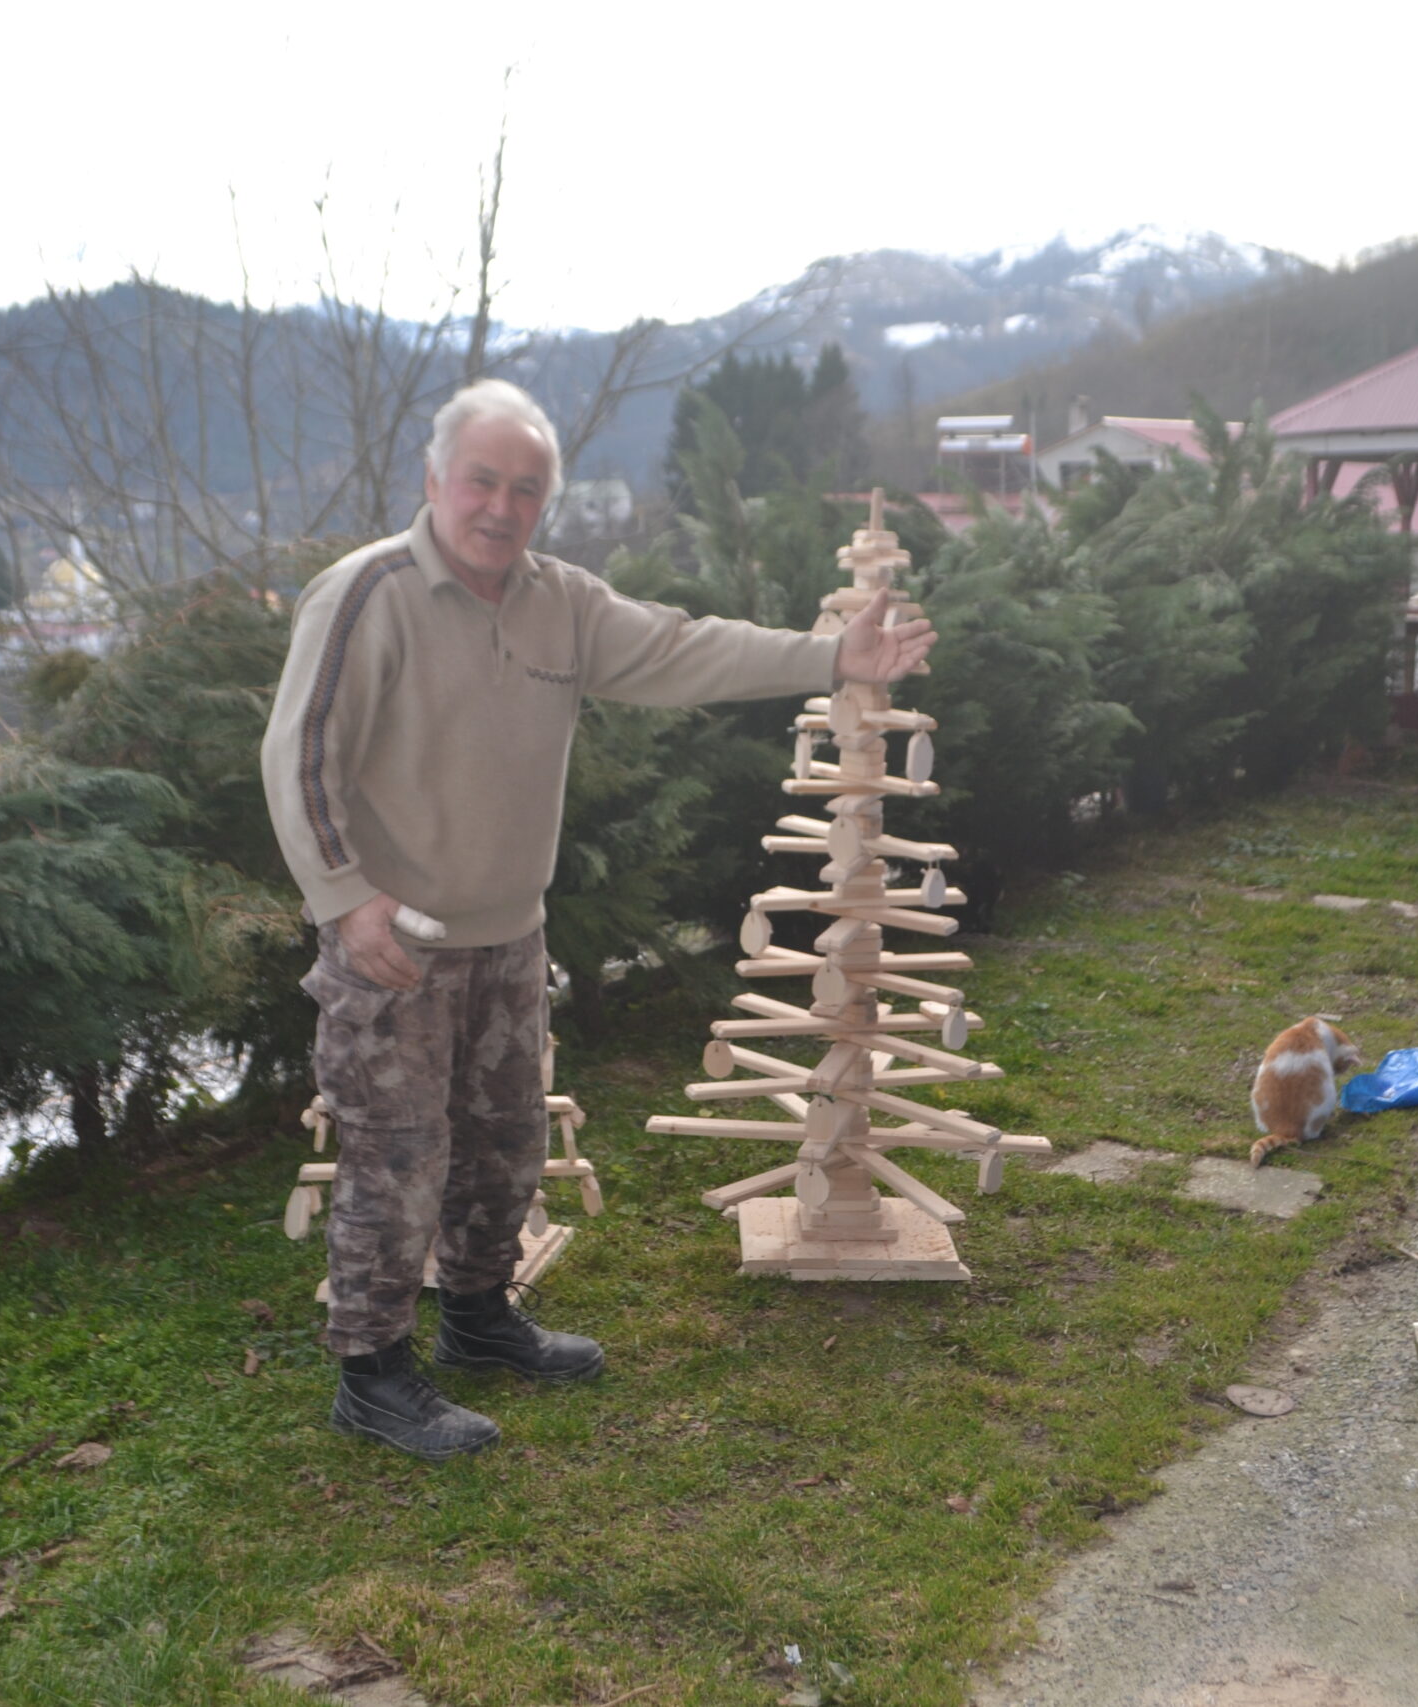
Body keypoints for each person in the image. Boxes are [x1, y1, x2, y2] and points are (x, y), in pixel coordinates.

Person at [261, 378, 935, 1460]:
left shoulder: (561, 603)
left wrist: (830, 660)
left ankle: (480, 1320)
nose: (499, 505)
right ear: (434, 480)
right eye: (481, 479)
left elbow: (681, 651)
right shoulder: (365, 595)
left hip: (508, 935)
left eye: (525, 488)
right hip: (394, 947)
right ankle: (372, 1372)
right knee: (397, 1160)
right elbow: (297, 758)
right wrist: (345, 902)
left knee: (503, 1142)